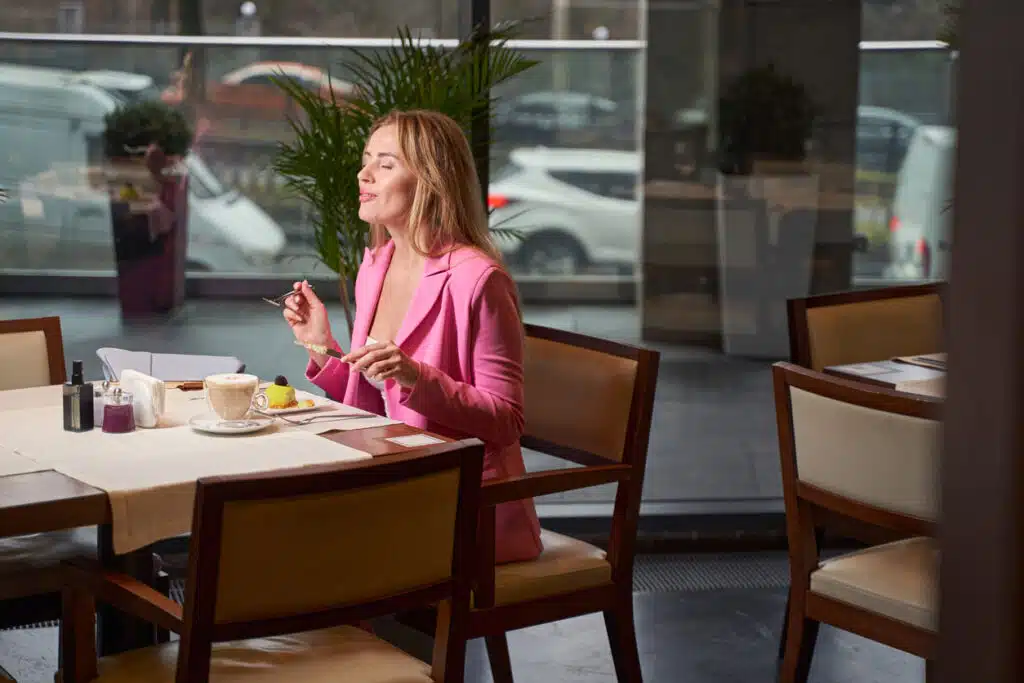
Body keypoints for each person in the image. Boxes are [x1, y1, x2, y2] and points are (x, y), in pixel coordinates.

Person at [282, 109, 543, 564]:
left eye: (385, 164)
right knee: (286, 524)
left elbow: (506, 421)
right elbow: (371, 408)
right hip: (399, 482)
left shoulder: (479, 280)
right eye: (367, 160)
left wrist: (415, 377)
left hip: (465, 505)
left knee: (307, 540)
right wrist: (321, 346)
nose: (363, 174)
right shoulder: (376, 266)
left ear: (430, 180)